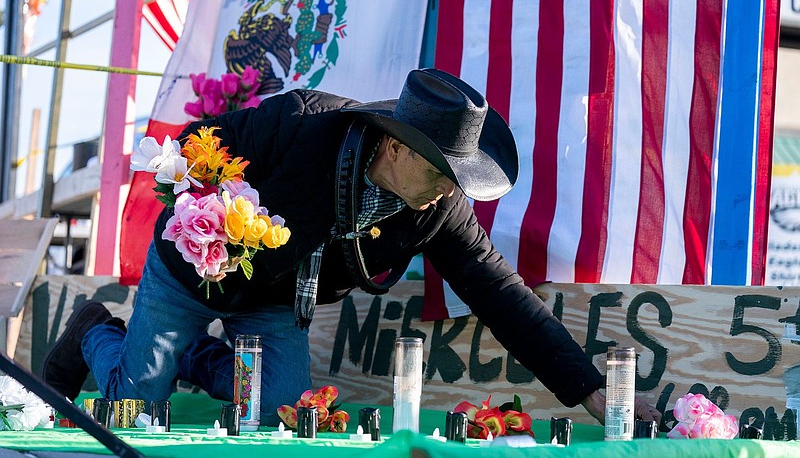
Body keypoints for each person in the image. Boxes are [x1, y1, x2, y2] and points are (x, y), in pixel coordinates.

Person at [41, 68, 661, 427]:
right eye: (442, 171)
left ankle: (185, 356)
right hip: (190, 271)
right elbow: (195, 145)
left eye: (458, 176)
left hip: (274, 301)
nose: (451, 189)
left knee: (275, 420)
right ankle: (95, 330)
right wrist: (207, 210)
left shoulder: (436, 207)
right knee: (132, 413)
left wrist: (590, 391)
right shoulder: (300, 123)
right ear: (393, 147)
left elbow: (502, 295)